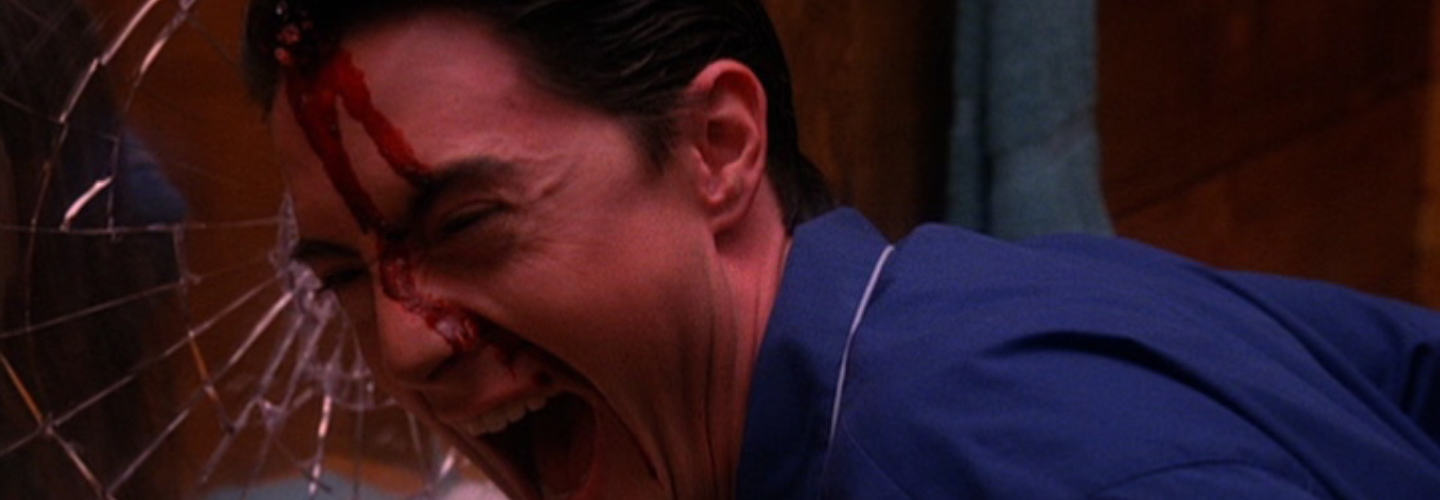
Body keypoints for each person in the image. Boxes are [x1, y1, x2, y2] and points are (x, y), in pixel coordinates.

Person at [241, 0, 1440, 498]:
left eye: (466, 224)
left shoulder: (986, 447)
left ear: (716, 146)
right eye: (347, 277)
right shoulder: (959, 308)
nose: (405, 343)